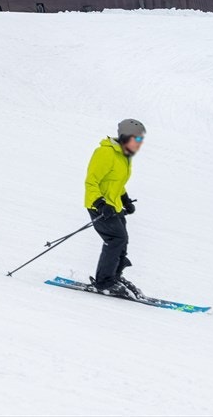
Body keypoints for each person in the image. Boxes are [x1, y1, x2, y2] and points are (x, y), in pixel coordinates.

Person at [84, 118, 146, 298]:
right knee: (116, 239)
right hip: (100, 206)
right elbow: (91, 182)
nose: (139, 143)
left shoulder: (123, 156)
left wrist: (125, 200)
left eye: (141, 139)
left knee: (122, 241)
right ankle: (104, 282)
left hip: (114, 206)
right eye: (137, 139)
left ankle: (115, 277)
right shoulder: (105, 153)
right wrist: (100, 204)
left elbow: (116, 182)